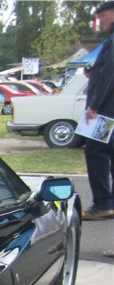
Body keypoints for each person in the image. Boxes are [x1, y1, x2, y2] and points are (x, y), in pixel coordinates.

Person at [82, 0, 114, 220]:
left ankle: (103, 203)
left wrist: (94, 105)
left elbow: (110, 75)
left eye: (103, 17)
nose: (100, 22)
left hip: (105, 112)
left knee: (95, 151)